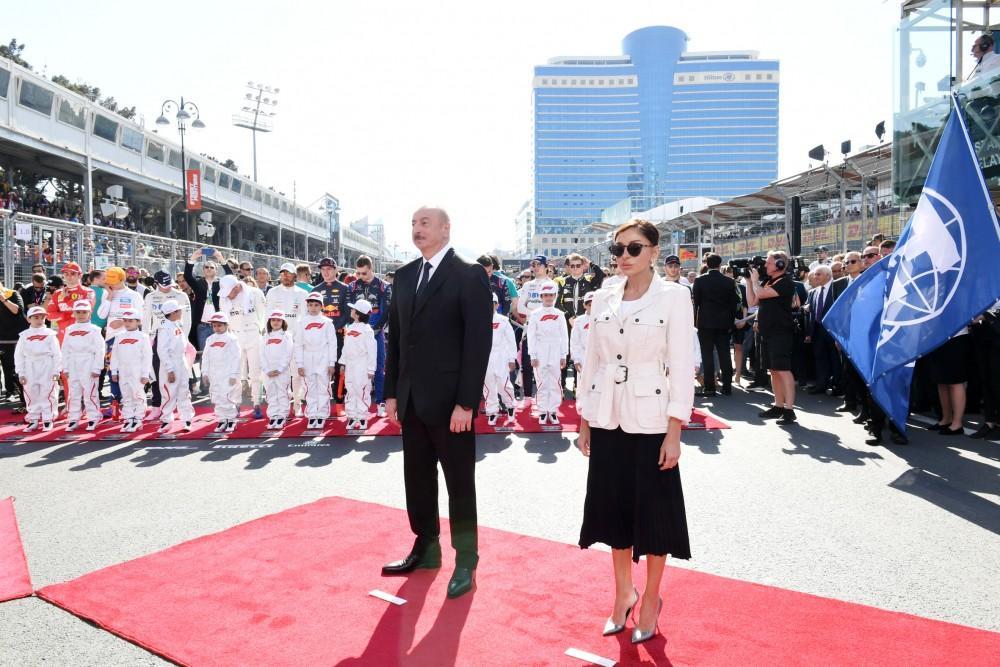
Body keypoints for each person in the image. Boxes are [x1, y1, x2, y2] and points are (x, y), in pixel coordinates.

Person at [575, 219, 694, 644]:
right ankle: (623, 592)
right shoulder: (603, 295)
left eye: (634, 248)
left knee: (655, 516)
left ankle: (651, 599)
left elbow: (682, 366)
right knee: (613, 512)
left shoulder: (675, 297)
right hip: (607, 415)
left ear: (655, 252)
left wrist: (675, 430)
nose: (623, 255)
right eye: (618, 249)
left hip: (652, 420)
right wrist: (584, 416)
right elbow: (591, 360)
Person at [382, 205, 492, 600]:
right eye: (413, 223)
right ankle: (425, 547)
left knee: (460, 484)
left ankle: (466, 560)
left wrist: (466, 403)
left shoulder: (469, 275)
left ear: (446, 229)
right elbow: (397, 340)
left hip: (451, 406)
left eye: (425, 223)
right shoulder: (406, 275)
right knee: (418, 479)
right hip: (411, 400)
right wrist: (392, 391)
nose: (417, 229)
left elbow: (478, 344)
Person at [747, 251, 799, 425]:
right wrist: (748, 281)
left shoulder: (785, 282)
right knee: (773, 370)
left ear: (780, 265)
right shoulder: (768, 281)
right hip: (767, 332)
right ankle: (778, 405)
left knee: (783, 369)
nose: (765, 266)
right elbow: (752, 302)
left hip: (781, 332)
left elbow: (761, 294)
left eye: (768, 263)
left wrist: (755, 281)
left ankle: (789, 409)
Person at [143, 271, 192, 420]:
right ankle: (157, 406)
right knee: (158, 374)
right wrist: (146, 341)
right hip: (157, 337)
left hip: (177, 337)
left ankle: (182, 409)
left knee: (181, 375)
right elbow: (146, 320)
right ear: (156, 284)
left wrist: (184, 340)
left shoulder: (181, 296)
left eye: (169, 284)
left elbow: (188, 320)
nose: (167, 288)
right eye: (164, 286)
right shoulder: (150, 296)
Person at [348, 255, 391, 417]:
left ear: (371, 269)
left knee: (378, 367)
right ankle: (357, 403)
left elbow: (387, 311)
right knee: (355, 368)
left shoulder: (383, 286)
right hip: (356, 331)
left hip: (375, 332)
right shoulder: (352, 286)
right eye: (358, 273)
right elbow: (348, 310)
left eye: (364, 273)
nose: (360, 277)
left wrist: (376, 329)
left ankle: (380, 401)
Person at [219, 274, 266, 418]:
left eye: (230, 292)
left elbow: (263, 316)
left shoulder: (255, 293)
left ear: (237, 287)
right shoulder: (224, 298)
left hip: (253, 335)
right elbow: (224, 319)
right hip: (236, 337)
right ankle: (236, 403)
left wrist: (260, 333)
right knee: (236, 373)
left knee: (255, 373)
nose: (228, 296)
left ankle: (256, 403)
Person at [692, 254, 738, 396]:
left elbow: (696, 304)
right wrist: (730, 323)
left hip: (705, 323)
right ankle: (727, 387)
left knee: (707, 355)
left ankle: (710, 388)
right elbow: (733, 305)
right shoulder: (729, 282)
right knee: (724, 354)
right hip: (724, 323)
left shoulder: (699, 280)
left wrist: (695, 322)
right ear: (720, 264)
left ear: (707, 264)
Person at [265, 263, 308, 416]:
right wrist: (268, 336)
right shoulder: (272, 293)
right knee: (279, 374)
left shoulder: (302, 293)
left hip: (296, 340)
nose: (285, 276)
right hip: (278, 341)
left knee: (296, 375)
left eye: (288, 273)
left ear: (294, 275)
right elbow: (267, 316)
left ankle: (297, 405)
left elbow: (304, 318)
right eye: (282, 273)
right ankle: (282, 405)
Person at [310, 257, 352, 403]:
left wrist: (332, 329)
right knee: (321, 369)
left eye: (329, 269)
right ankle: (322, 402)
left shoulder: (345, 289)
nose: (326, 272)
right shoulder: (315, 290)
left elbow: (348, 314)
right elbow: (311, 314)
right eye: (323, 269)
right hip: (319, 337)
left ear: (336, 270)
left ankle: (339, 401)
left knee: (339, 367)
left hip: (338, 335)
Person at [527, 280, 568, 424]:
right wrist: (533, 355)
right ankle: (543, 411)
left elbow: (564, 335)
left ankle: (554, 410)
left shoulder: (560, 314)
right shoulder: (535, 314)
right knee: (541, 381)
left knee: (556, 380)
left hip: (556, 349)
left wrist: (564, 355)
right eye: (545, 295)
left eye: (551, 295)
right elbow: (531, 336)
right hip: (540, 349)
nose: (548, 298)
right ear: (541, 296)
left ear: (555, 295)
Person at [15, 306, 61, 432]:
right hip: (30, 366)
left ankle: (48, 419)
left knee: (48, 392)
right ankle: (33, 419)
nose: (39, 320)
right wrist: (21, 372)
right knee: (31, 392)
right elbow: (18, 355)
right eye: (36, 317)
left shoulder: (51, 334)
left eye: (42, 317)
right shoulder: (24, 335)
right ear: (29, 319)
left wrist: (56, 370)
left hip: (47, 364)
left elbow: (57, 354)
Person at [60, 301, 105, 431]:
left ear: (90, 313)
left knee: (90, 392)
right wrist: (66, 367)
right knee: (74, 393)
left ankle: (93, 417)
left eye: (84, 312)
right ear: (73, 313)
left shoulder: (95, 330)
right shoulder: (69, 330)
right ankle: (73, 418)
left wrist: (97, 368)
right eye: (78, 312)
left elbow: (100, 350)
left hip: (89, 361)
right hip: (73, 362)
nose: (81, 315)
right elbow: (65, 349)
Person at [296, 293, 338, 429]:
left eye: (316, 305)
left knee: (323, 386)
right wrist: (300, 364)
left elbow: (332, 344)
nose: (313, 308)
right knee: (310, 387)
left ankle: (322, 415)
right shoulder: (301, 322)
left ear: (321, 306)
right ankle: (312, 414)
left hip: (323, 358)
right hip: (307, 357)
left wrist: (332, 363)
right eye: (310, 305)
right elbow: (298, 344)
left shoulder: (327, 323)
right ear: (307, 306)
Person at [109, 310, 153, 433]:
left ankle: (138, 419)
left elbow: (147, 357)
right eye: (125, 320)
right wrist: (113, 371)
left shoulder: (143, 337)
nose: (127, 323)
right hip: (123, 371)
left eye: (131, 320)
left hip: (137, 371)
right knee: (126, 396)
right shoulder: (119, 336)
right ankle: (128, 419)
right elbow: (115, 355)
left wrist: (145, 374)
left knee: (138, 396)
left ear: (138, 322)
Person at [156, 300, 195, 434]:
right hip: (171, 363)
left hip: (181, 361)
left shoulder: (177, 324)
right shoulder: (164, 328)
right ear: (173, 313)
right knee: (169, 393)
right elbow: (162, 350)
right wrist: (170, 369)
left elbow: (184, 345)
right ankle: (167, 420)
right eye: (179, 310)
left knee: (184, 392)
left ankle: (187, 419)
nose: (181, 312)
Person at [516, 255, 549, 402]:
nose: (535, 267)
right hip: (530, 328)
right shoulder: (528, 285)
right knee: (527, 363)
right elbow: (520, 306)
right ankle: (528, 397)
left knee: (546, 364)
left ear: (546, 266)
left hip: (548, 328)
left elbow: (553, 306)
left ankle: (544, 397)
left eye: (538, 264)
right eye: (532, 264)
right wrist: (536, 314)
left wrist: (537, 312)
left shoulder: (553, 284)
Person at [201, 311, 242, 433]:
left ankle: (231, 419)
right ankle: (222, 419)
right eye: (214, 325)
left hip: (228, 374)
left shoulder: (232, 339)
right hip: (214, 374)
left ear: (226, 325)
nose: (217, 328)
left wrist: (234, 374)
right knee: (217, 396)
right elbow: (205, 357)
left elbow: (236, 357)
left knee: (227, 396)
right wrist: (205, 373)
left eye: (219, 325)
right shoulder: (210, 339)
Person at [341, 299, 377, 431]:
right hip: (350, 363)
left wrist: (371, 369)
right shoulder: (349, 328)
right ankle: (351, 416)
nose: (351, 311)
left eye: (353, 309)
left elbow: (372, 351)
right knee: (350, 389)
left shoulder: (367, 330)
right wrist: (343, 363)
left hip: (362, 363)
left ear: (358, 313)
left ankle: (362, 417)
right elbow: (346, 347)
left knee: (362, 389)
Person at [804, 265, 841, 395]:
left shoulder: (837, 287)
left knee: (836, 359)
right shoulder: (813, 292)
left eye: (818, 274)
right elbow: (810, 313)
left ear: (827, 275)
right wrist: (809, 333)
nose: (815, 277)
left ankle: (838, 386)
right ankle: (821, 385)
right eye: (815, 274)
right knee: (820, 359)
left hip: (833, 331)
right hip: (817, 331)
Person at [483, 292, 517, 426]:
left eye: (492, 304)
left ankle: (510, 407)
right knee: (488, 385)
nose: (489, 306)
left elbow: (511, 341)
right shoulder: (477, 320)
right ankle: (492, 412)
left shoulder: (503, 321)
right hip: (485, 358)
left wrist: (512, 358)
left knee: (504, 383)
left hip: (501, 356)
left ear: (496, 305)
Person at [260, 310, 294, 430]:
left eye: (278, 320)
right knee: (271, 393)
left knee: (282, 393)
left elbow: (288, 354)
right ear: (269, 321)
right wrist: (267, 369)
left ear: (283, 321)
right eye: (273, 320)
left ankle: (282, 416)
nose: (275, 322)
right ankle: (273, 415)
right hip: (268, 372)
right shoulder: (265, 336)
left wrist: (279, 369)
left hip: (282, 372)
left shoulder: (287, 335)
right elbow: (262, 354)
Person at [45, 262, 95, 341]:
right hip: (63, 334)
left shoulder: (88, 292)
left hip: (82, 333)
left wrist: (66, 300)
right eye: (66, 274)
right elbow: (49, 315)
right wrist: (66, 316)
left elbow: (84, 310)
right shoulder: (58, 293)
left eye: (72, 273)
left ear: (80, 275)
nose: (69, 276)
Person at [0, 281, 27, 409]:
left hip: (13, 338)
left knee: (12, 368)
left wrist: (3, 299)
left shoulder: (12, 294)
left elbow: (17, 310)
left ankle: (19, 396)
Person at [570, 291, 595, 385]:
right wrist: (576, 359)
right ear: (584, 305)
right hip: (583, 357)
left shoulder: (604, 319)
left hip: (599, 358)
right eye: (589, 304)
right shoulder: (579, 321)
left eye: (595, 303)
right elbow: (574, 342)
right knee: (583, 385)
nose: (592, 306)